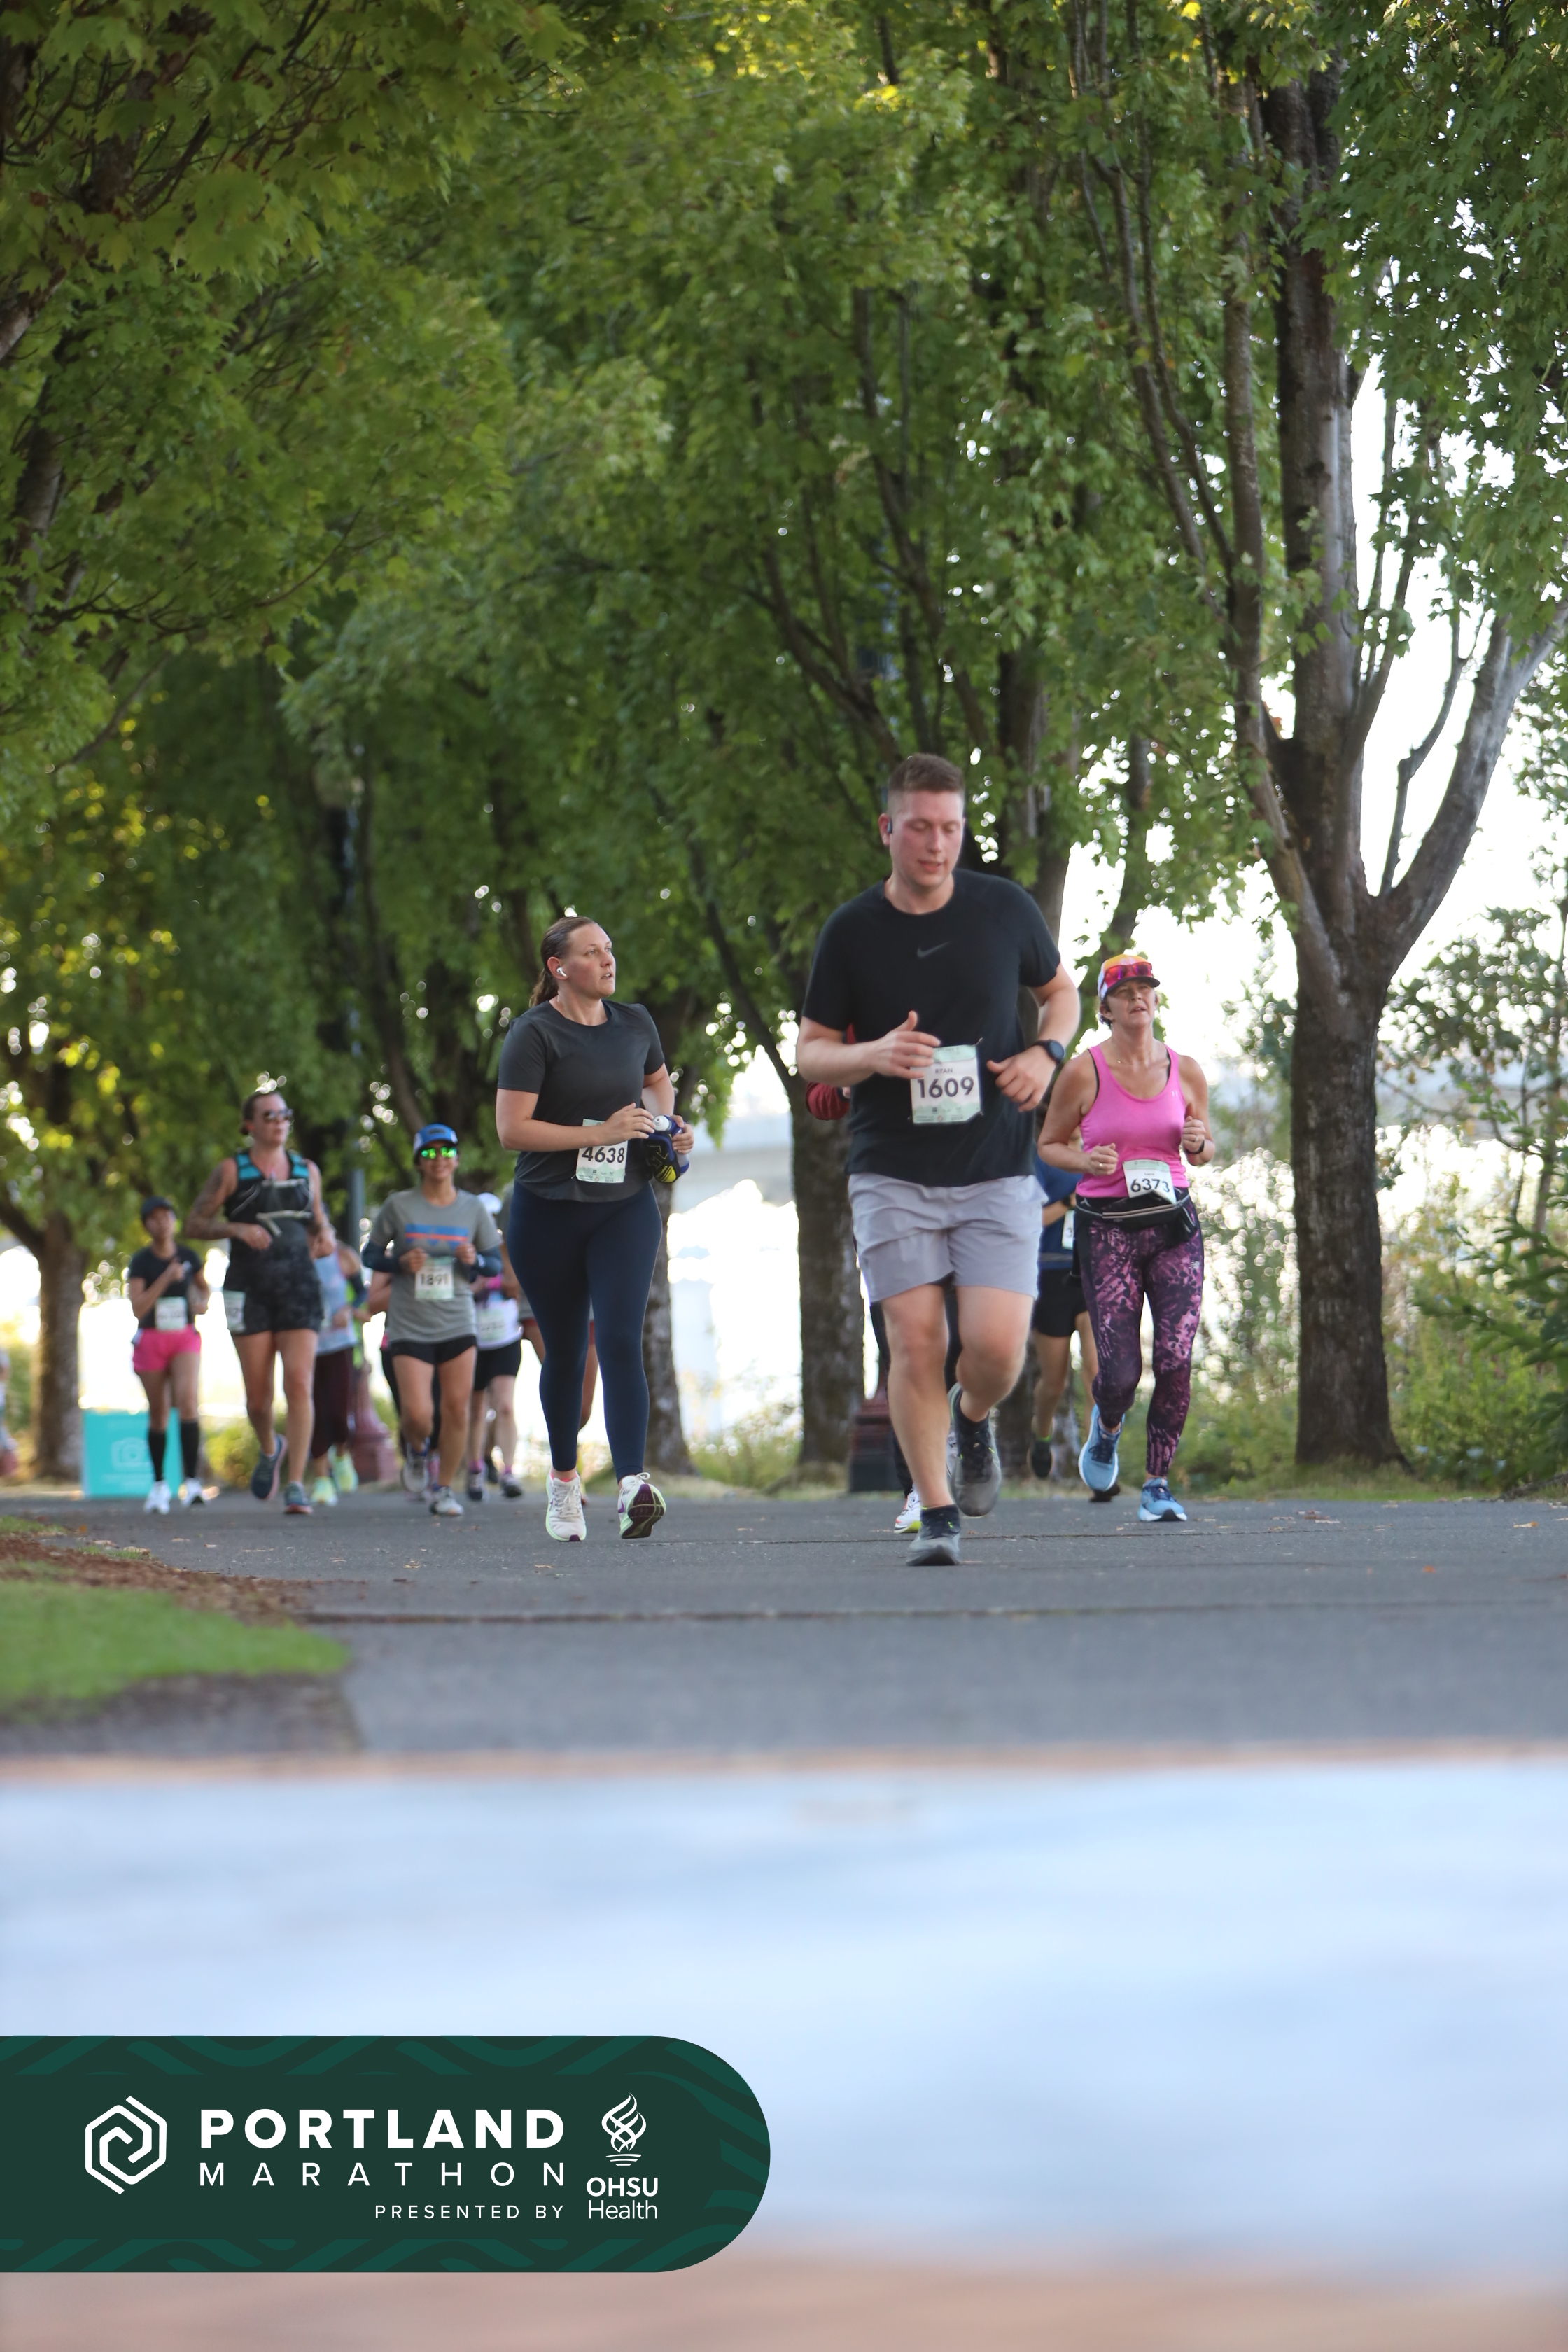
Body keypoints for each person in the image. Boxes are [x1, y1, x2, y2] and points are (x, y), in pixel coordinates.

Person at [797, 752, 1081, 1565]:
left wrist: (1045, 1054)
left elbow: (1060, 993)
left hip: (995, 1165)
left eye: (949, 828)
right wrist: (872, 1055)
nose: (935, 844)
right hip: (890, 1168)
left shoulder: (1003, 908)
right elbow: (811, 1050)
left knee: (994, 1352)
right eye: (919, 827)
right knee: (914, 1342)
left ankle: (970, 1416)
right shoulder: (851, 931)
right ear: (886, 829)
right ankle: (936, 1513)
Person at [495, 916, 694, 1543]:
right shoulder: (534, 1033)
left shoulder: (636, 1023)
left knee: (619, 1338)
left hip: (623, 1206)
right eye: (592, 952)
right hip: (547, 1211)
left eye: (609, 948)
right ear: (559, 968)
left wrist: (669, 1129)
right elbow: (512, 1130)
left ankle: (633, 1484)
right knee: (566, 1350)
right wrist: (600, 1133)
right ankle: (563, 1482)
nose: (608, 960)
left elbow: (658, 1088)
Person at [1039, 949, 1214, 1524]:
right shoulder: (1083, 1071)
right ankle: (1108, 1426)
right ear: (1106, 1008)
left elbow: (1204, 1149)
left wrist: (1198, 1144)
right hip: (1108, 1232)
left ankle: (1157, 1484)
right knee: (1117, 1376)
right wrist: (1085, 1161)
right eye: (1125, 990)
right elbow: (1049, 1145)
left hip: (1172, 1228)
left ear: (1156, 999)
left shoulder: (1186, 1070)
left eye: (1146, 987)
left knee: (1176, 1358)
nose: (1138, 996)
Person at [185, 1091, 333, 1516]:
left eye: (285, 1114)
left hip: (300, 1285)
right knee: (258, 1400)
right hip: (248, 1289)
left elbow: (319, 1222)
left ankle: (296, 1485)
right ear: (250, 1124)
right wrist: (236, 1229)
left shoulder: (307, 1170)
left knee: (300, 1383)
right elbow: (195, 1222)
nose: (279, 1121)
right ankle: (271, 1448)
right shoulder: (232, 1170)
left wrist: (325, 1237)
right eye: (269, 1116)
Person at [363, 1125, 502, 1518]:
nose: (438, 1159)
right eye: (429, 1153)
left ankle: (444, 1489)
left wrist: (475, 1260)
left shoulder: (473, 1209)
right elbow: (370, 1256)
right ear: (418, 1163)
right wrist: (399, 1262)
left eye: (446, 1152)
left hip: (458, 1321)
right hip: (410, 1322)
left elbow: (494, 1264)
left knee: (457, 1410)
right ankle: (417, 1451)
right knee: (418, 1415)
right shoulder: (399, 1205)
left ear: (456, 1160)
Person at [127, 1196, 210, 1512]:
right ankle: (160, 1484)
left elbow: (204, 1289)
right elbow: (138, 1308)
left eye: (166, 1216)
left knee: (188, 1401)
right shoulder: (141, 1262)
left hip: (184, 1337)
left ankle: (193, 1482)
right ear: (146, 1225)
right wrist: (165, 1278)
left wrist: (201, 1303)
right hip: (151, 1338)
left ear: (175, 1220)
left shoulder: (189, 1256)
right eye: (154, 1218)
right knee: (159, 1411)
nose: (161, 1222)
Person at [1029, 1159, 1100, 1487]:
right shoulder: (1039, 1161)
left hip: (1092, 1274)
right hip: (1051, 1277)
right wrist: (1069, 1202)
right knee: (1054, 1383)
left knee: (1097, 1374)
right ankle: (1041, 1434)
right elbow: (1027, 1220)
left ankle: (1098, 1459)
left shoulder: (1101, 1153)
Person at [307, 1238, 365, 1508]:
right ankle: (322, 1479)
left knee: (339, 1412)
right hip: (307, 1347)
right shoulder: (296, 1258)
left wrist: (348, 1310)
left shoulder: (343, 1255)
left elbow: (361, 1292)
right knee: (315, 1413)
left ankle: (341, 1452)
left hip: (340, 1344)